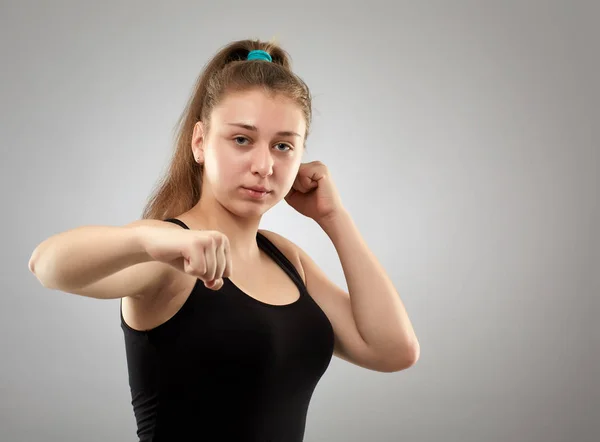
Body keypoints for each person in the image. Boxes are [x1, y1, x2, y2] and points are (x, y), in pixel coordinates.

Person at [28, 39, 420, 442]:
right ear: (200, 142)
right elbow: (47, 264)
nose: (264, 166)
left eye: (283, 146)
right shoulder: (170, 253)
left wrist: (334, 218)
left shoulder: (286, 257)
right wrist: (150, 238)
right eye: (241, 140)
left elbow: (393, 350)